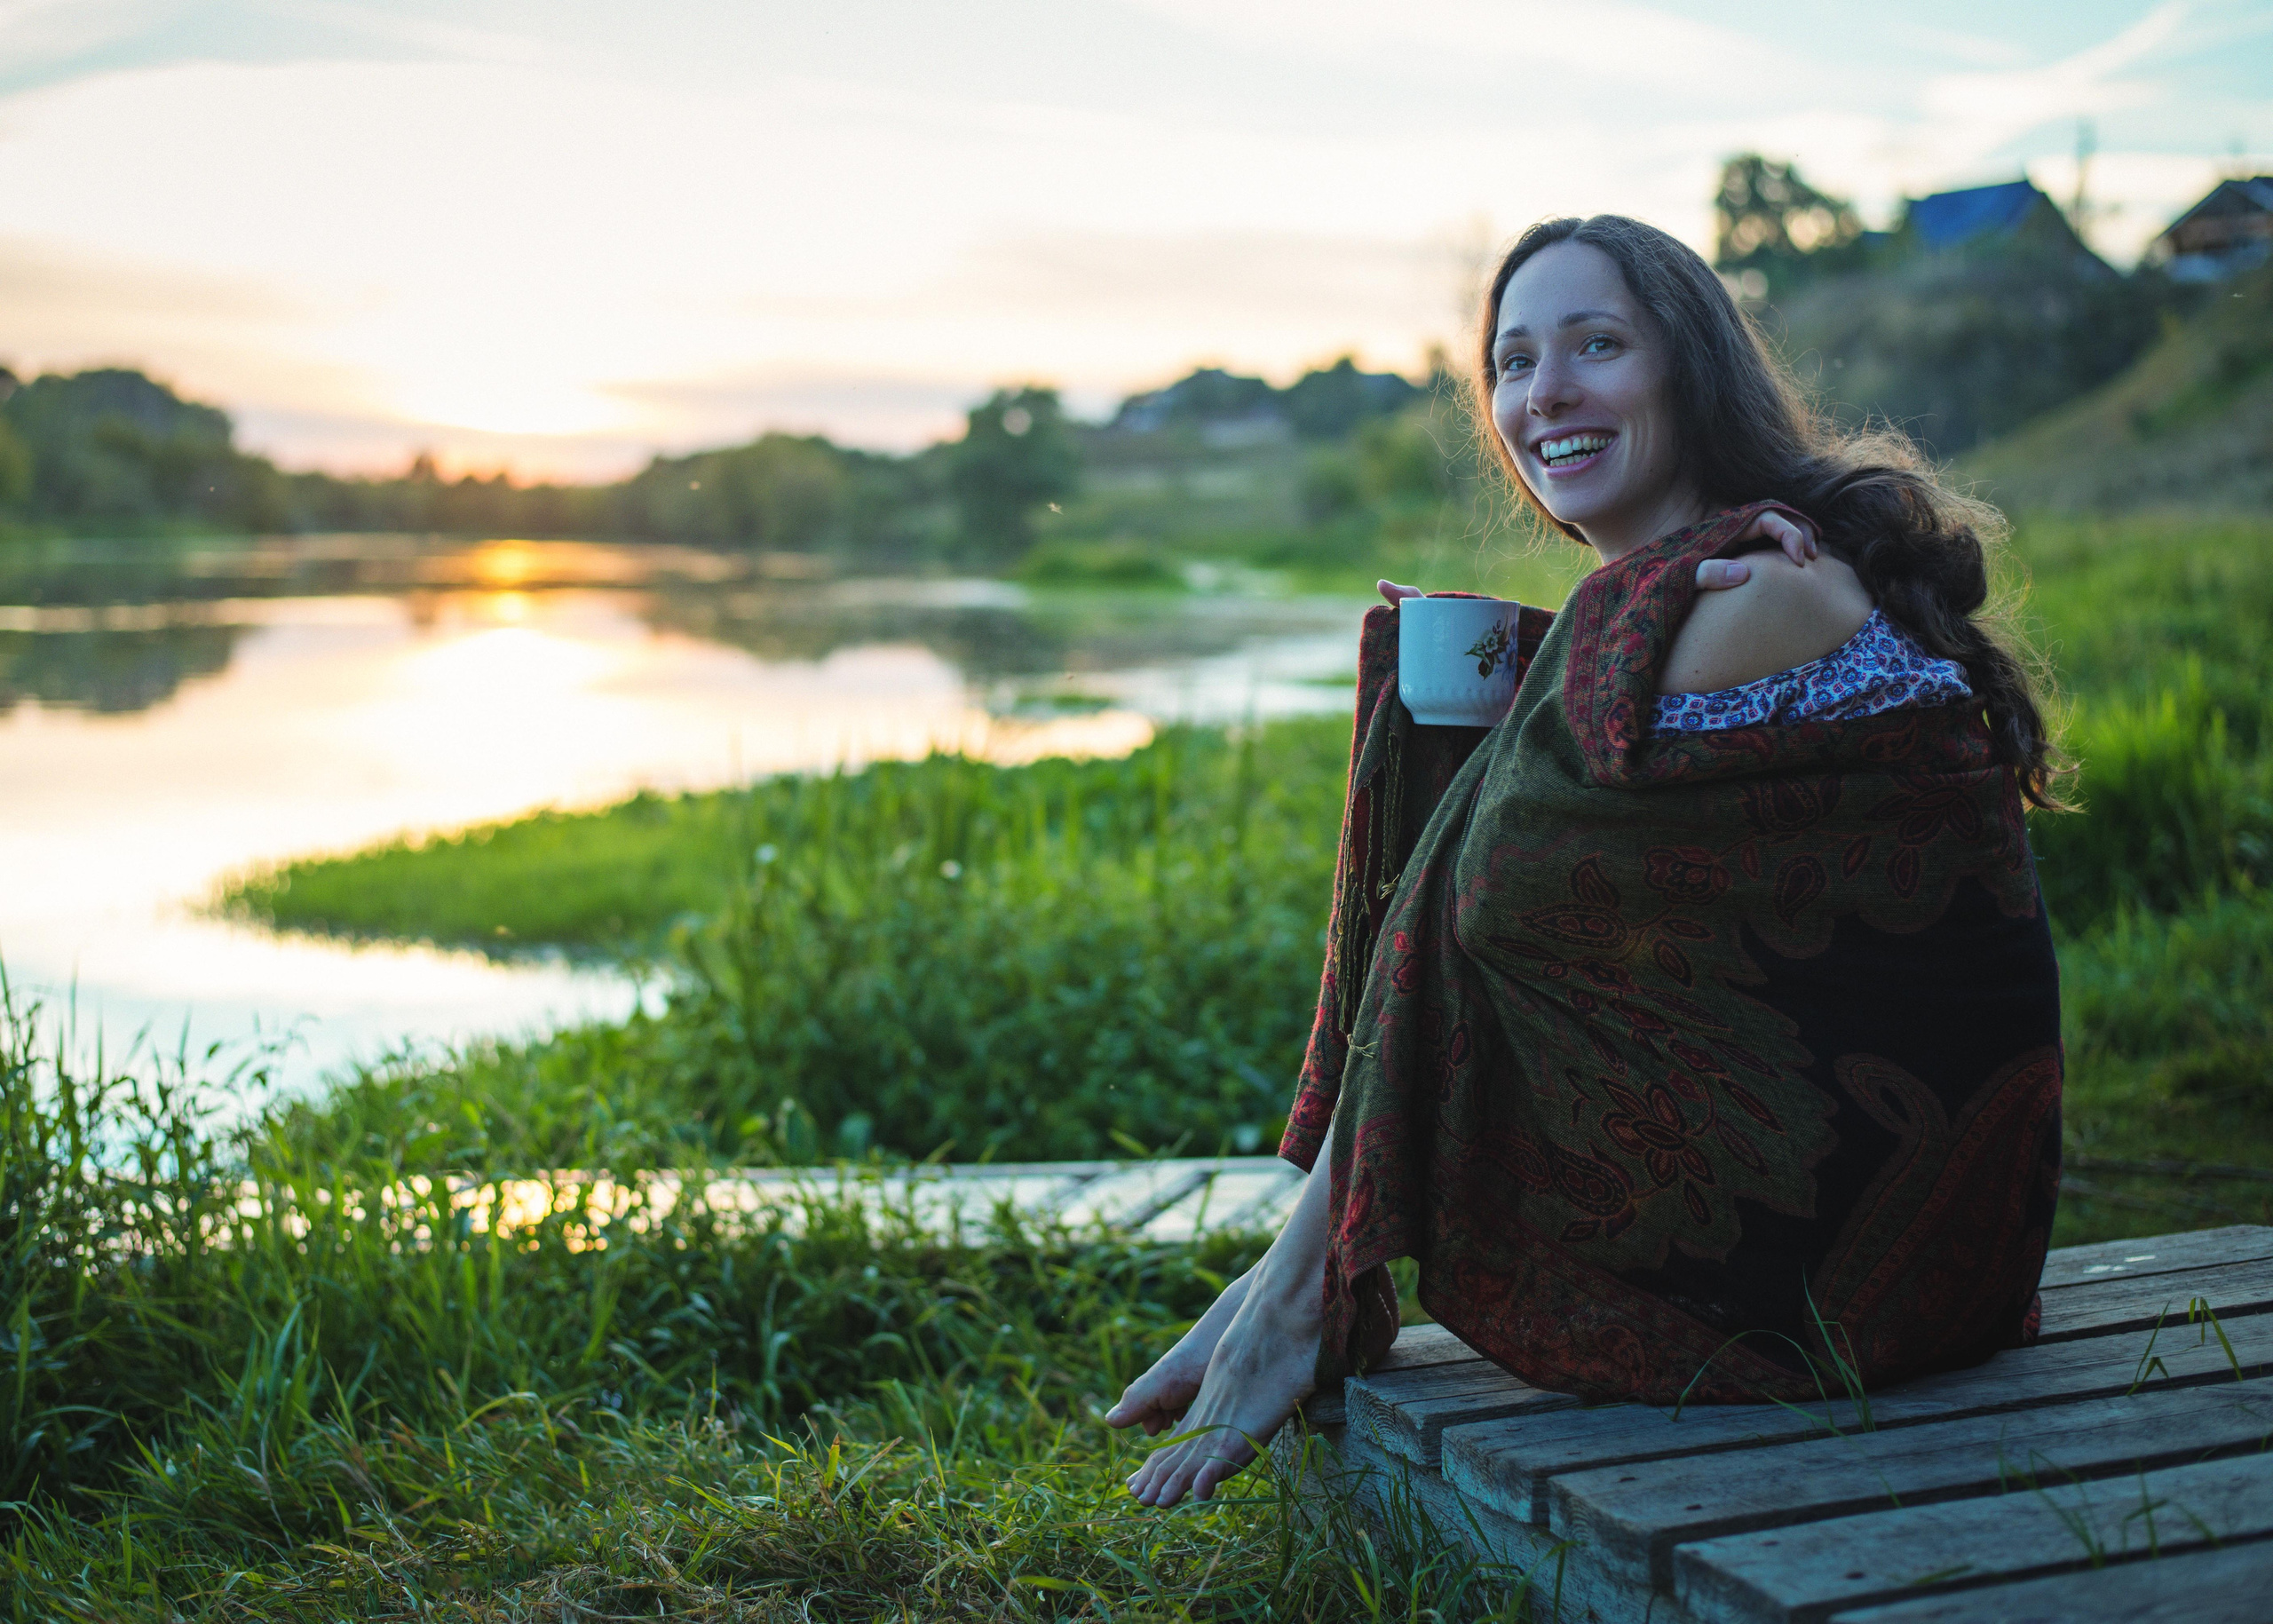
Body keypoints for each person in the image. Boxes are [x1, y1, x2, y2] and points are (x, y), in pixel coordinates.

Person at [1106, 214, 2064, 1510]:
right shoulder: (1711, 585)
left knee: (1480, 871)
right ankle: (1300, 1268)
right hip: (1927, 1257)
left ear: (1691, 371)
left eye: (1596, 344)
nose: (1542, 392)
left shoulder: (1759, 592)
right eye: (1512, 362)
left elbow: (1489, 891)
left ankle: (1295, 1286)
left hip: (1829, 1283)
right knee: (1486, 840)